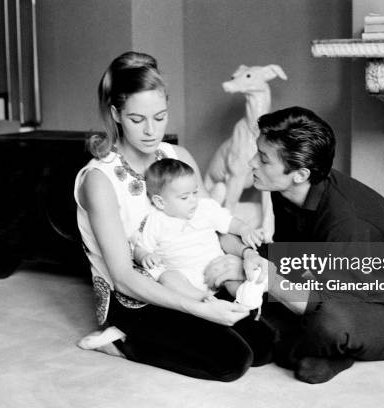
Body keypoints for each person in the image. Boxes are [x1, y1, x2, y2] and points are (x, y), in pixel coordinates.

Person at [73, 51, 273, 382]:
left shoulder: (177, 156)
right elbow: (123, 276)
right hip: (135, 296)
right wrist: (200, 308)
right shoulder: (99, 179)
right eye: (138, 119)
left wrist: (246, 252)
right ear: (116, 114)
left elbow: (212, 223)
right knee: (232, 361)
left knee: (264, 347)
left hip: (193, 275)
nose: (152, 131)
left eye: (160, 116)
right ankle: (122, 343)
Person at [206, 106, 384, 384]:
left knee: (326, 322)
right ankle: (302, 345)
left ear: (299, 174)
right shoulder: (284, 189)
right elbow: (289, 260)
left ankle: (318, 346)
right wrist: (249, 256)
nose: (252, 163)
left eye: (263, 159)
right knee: (235, 282)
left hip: (383, 311)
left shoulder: (347, 220)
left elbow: (320, 302)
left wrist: (254, 274)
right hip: (318, 277)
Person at [133, 158, 266, 306]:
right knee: (167, 278)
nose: (193, 200)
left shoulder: (205, 208)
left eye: (195, 193)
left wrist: (244, 229)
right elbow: (140, 247)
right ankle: (203, 299)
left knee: (231, 275)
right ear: (160, 202)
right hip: (186, 277)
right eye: (184, 197)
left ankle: (246, 293)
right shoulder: (156, 221)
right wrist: (145, 255)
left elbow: (228, 222)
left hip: (217, 266)